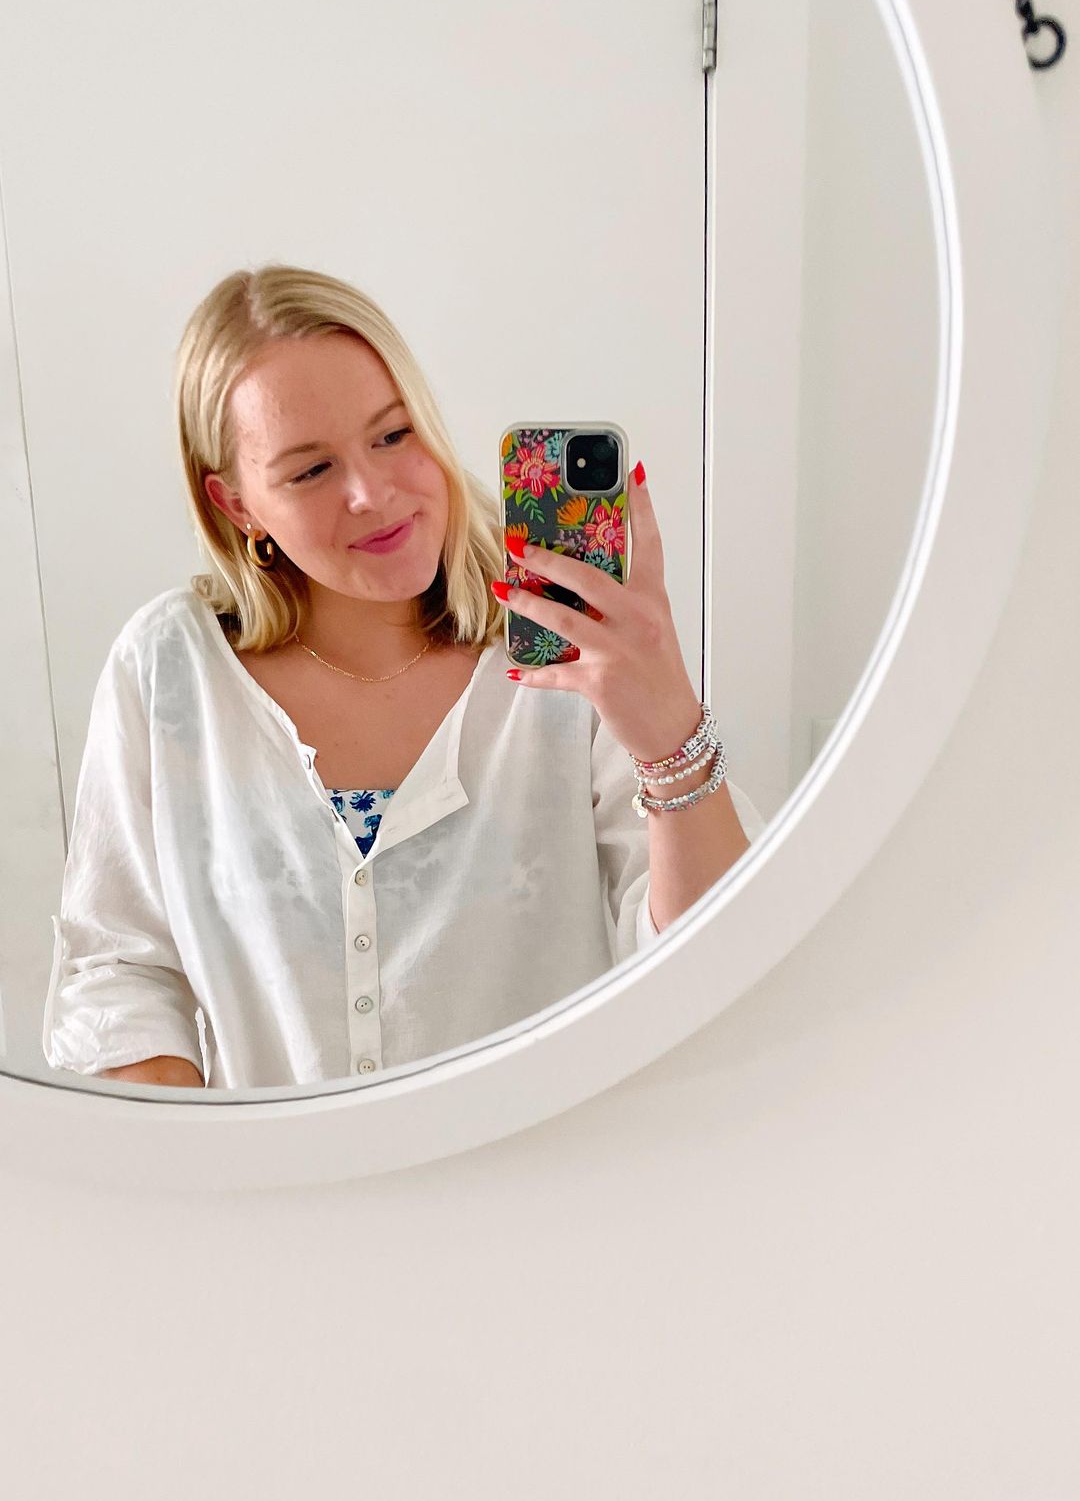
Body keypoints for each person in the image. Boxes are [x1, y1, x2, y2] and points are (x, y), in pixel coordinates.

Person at [42, 264, 765, 1090]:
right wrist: (195, 1159)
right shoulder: (170, 672)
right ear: (236, 504)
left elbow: (709, 974)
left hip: (561, 1167)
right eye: (310, 470)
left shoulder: (571, 654)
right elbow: (118, 969)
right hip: (279, 1176)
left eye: (392, 435)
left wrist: (669, 737)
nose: (371, 493)